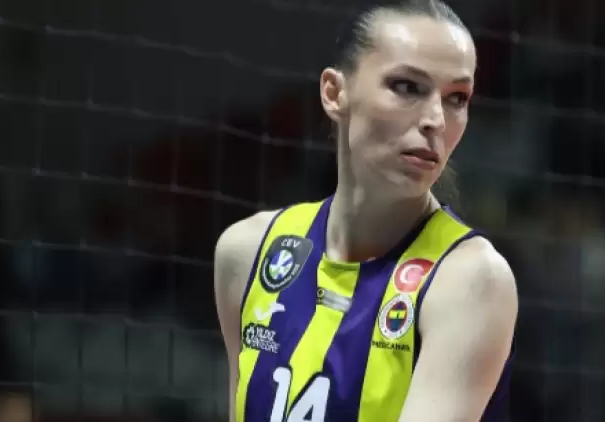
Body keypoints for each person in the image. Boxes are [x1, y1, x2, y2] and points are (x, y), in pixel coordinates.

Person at [214, 0, 518, 421]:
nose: (436, 119)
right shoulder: (248, 252)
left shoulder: (469, 280)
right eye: (407, 86)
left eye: (456, 98)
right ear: (334, 93)